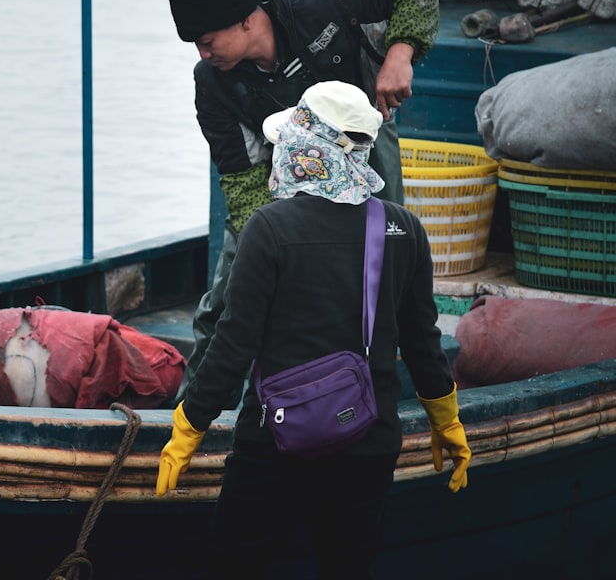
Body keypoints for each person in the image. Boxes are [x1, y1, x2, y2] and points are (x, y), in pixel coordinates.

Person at [155, 80, 471, 579]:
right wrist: (446, 419)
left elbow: (234, 343)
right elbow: (422, 342)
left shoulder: (270, 228)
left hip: (275, 446)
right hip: (369, 442)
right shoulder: (404, 228)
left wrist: (189, 425)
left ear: (305, 147)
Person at [164, 0, 440, 406]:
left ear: (248, 20)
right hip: (281, 180)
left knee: (383, 273)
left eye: (207, 40)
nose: (203, 53)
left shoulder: (325, 9)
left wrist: (400, 52)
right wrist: (273, 248)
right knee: (224, 299)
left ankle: (378, 392)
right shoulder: (213, 84)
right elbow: (240, 176)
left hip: (363, 157)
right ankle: (190, 412)